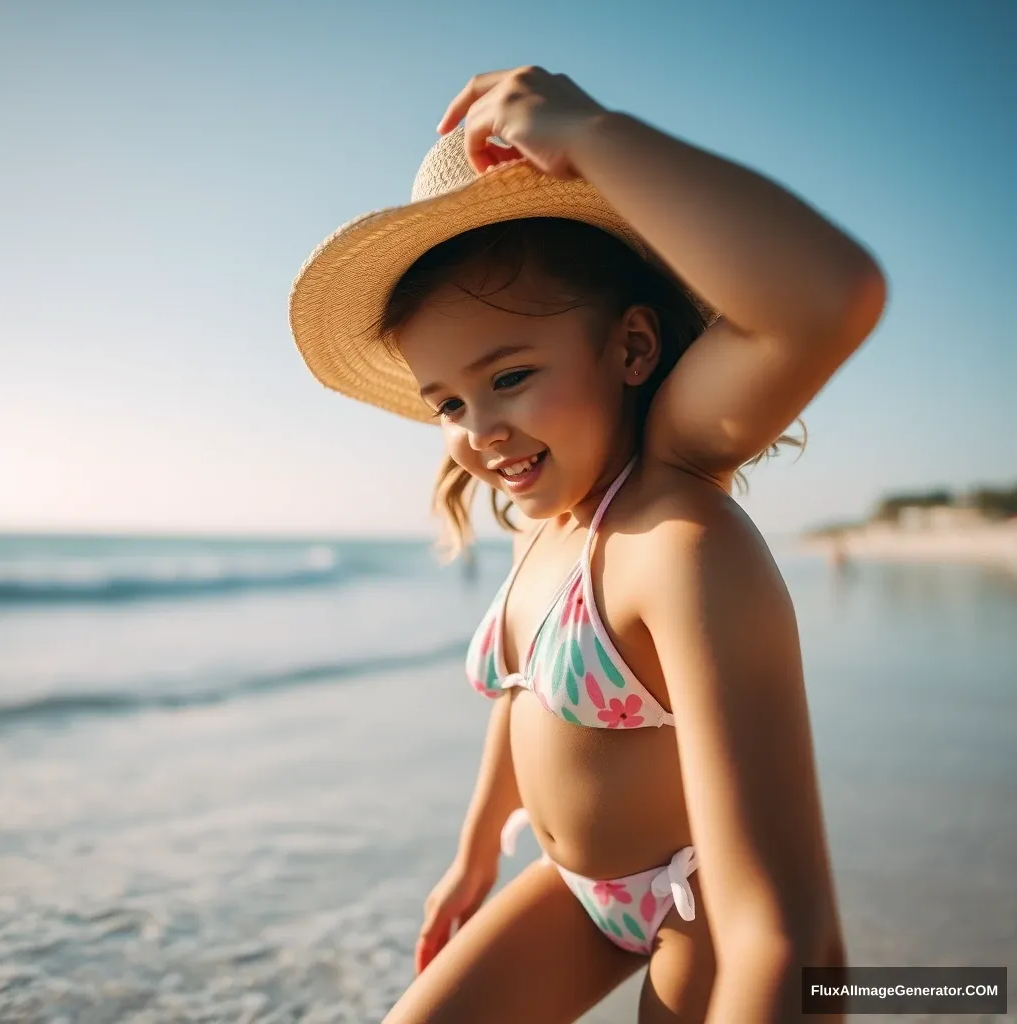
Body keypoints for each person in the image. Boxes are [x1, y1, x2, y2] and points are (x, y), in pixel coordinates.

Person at [289, 66, 885, 1024]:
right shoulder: (543, 522)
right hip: (579, 893)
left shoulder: (663, 517)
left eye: (512, 375)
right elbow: (526, 692)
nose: (479, 427)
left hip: (703, 910)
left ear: (633, 350)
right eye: (448, 401)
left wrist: (591, 133)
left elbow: (829, 294)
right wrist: (477, 849)